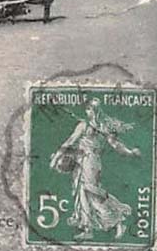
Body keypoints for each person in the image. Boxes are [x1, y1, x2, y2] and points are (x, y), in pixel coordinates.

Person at [50, 98, 140, 241]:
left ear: (96, 111)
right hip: (82, 161)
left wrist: (130, 152)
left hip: (90, 161)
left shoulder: (97, 126)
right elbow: (71, 142)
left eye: (91, 109)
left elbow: (115, 144)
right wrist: (130, 152)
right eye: (87, 109)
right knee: (83, 193)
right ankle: (87, 227)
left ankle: (117, 216)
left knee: (90, 190)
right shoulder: (92, 126)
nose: (89, 112)